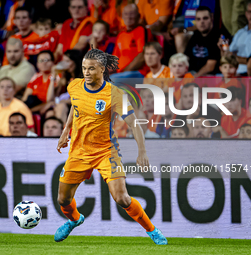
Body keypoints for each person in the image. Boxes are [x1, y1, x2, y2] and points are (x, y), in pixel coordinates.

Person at [54, 48, 168, 245]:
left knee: (122, 198)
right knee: (63, 200)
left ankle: (152, 230)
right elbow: (75, 105)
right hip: (79, 151)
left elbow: (134, 123)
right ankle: (74, 220)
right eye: (84, 68)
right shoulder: (74, 85)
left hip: (106, 151)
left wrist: (142, 151)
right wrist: (66, 131)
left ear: (102, 69)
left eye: (91, 69)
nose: (86, 73)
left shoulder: (115, 94)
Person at [111, 4, 152, 81]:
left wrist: (125, 71)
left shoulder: (141, 30)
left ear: (138, 16)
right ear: (122, 16)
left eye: (131, 14)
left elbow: (142, 56)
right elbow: (115, 58)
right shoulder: (121, 35)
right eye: (126, 14)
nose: (128, 17)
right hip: (120, 74)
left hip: (138, 73)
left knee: (112, 80)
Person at [221, 1, 251, 76]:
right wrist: (223, 50)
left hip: (250, 74)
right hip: (233, 73)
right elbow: (228, 55)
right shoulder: (240, 32)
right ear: (246, 14)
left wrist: (235, 58)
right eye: (250, 12)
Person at [184, 6, 220, 77]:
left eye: (205, 18)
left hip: (209, 76)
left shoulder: (217, 36)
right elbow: (186, 57)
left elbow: (210, 67)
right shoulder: (196, 35)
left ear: (211, 18)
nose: (202, 22)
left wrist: (194, 78)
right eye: (198, 19)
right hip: (193, 73)